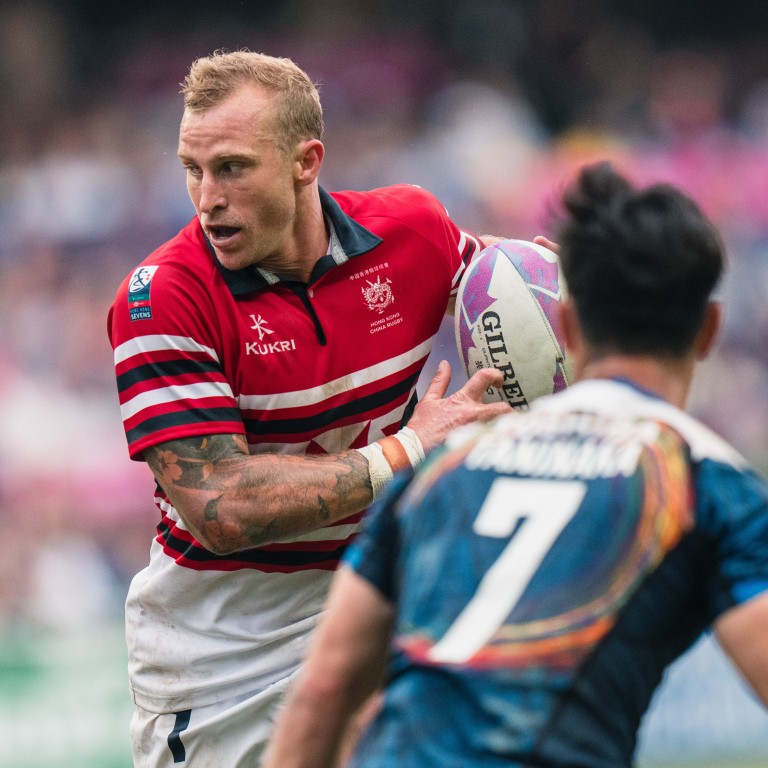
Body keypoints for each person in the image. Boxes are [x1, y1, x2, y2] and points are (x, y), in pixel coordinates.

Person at [263, 161, 768, 768]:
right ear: (709, 331)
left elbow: (324, 688)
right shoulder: (705, 482)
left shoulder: (442, 469)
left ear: (571, 327)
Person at [107, 49, 518, 766]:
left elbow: (510, 294)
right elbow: (221, 507)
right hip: (228, 664)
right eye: (192, 168)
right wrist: (409, 449)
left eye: (231, 167)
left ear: (306, 161)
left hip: (377, 618)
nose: (206, 197)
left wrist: (569, 298)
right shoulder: (162, 298)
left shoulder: (414, 232)